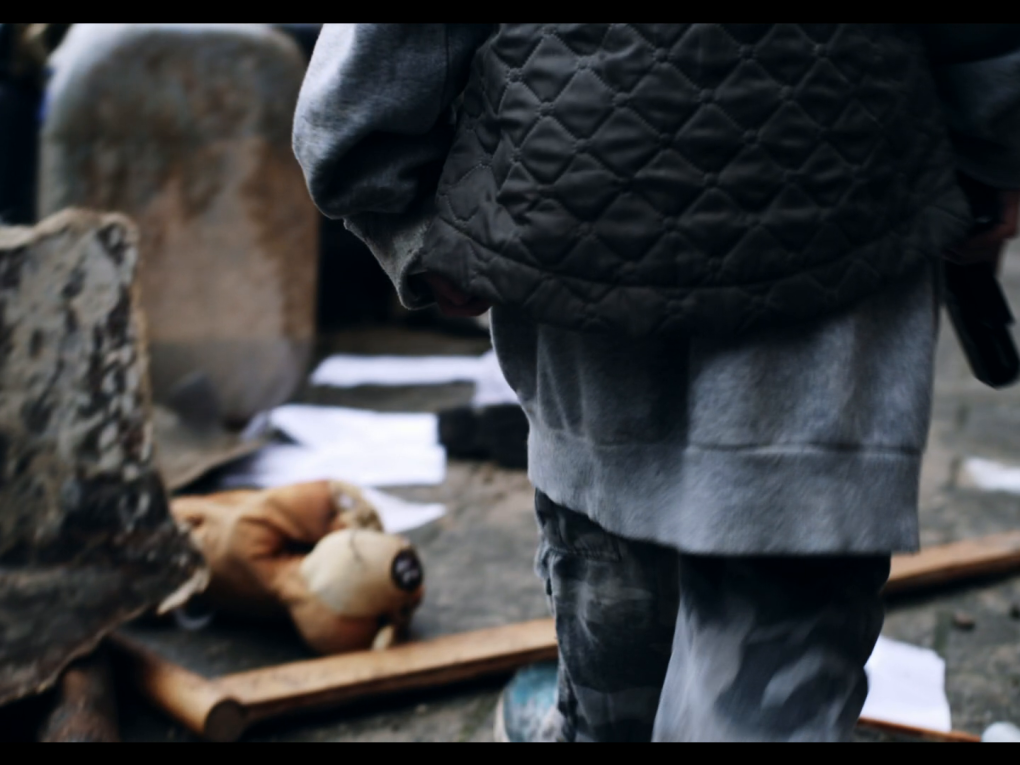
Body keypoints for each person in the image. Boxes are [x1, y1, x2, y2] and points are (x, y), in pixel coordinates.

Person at [293, 24, 1020, 741]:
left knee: (611, 554)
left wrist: (406, 217)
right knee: (784, 592)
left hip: (585, 207)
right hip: (839, 204)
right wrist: (993, 160)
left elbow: (364, 87)